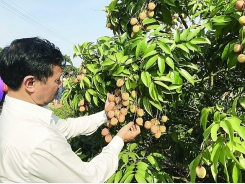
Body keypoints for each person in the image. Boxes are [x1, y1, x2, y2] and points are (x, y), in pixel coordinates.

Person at [0, 37, 141, 183]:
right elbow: (89, 179)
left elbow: (67, 127)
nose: (61, 84)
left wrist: (105, 115)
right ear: (30, 83)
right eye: (57, 80)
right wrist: (119, 140)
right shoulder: (40, 140)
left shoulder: (14, 114)